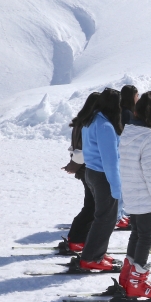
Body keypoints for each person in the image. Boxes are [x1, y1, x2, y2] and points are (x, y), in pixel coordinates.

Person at [118, 92, 151, 299]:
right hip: (144, 194)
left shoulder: (128, 131)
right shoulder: (148, 136)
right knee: (147, 235)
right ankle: (136, 282)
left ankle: (127, 275)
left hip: (131, 190)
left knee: (138, 234)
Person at [78, 88, 124, 271]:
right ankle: (91, 257)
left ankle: (96, 253)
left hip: (91, 171)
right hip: (102, 174)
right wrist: (117, 188)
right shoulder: (105, 126)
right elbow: (110, 161)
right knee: (106, 218)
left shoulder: (92, 119)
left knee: (102, 216)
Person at [60, 92, 100, 254]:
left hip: (83, 169)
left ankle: (76, 238)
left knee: (90, 205)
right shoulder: (88, 123)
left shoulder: (80, 121)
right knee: (92, 206)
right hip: (88, 167)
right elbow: (83, 150)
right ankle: (77, 239)